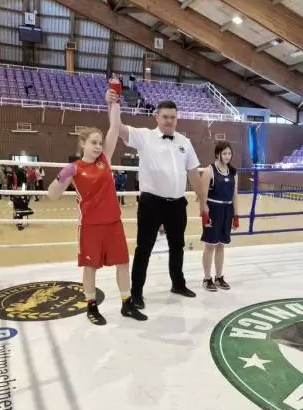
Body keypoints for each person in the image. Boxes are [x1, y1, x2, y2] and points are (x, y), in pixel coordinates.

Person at [47, 79, 147, 325]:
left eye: (100, 142)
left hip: (113, 222)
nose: (98, 146)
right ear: (82, 143)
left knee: (123, 263)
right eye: (93, 142)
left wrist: (114, 101)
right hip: (90, 226)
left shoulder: (105, 159)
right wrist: (61, 177)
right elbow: (52, 195)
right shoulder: (75, 168)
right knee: (90, 267)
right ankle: (91, 306)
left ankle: (126, 303)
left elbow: (115, 126)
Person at [106, 93, 207, 309]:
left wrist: (203, 201)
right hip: (151, 203)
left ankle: (178, 283)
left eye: (173, 117)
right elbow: (118, 127)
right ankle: (136, 292)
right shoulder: (144, 136)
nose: (169, 121)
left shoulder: (185, 142)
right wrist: (112, 103)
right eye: (165, 117)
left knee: (177, 246)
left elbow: (193, 173)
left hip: (177, 203)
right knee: (144, 248)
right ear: (157, 117)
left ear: (177, 118)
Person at [200, 141, 239, 291]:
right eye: (225, 153)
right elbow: (203, 196)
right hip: (213, 209)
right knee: (210, 245)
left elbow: (235, 195)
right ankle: (207, 278)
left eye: (229, 153)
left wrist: (236, 215)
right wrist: (204, 213)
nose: (228, 156)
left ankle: (218, 276)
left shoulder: (233, 172)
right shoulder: (209, 170)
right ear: (218, 154)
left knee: (221, 245)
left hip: (227, 210)